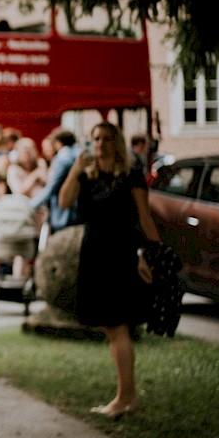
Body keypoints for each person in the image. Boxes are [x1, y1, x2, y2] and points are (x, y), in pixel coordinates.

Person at [58, 121, 162, 420]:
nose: (100, 144)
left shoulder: (130, 174)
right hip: (94, 253)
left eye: (106, 138)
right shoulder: (87, 175)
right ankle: (126, 395)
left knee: (117, 327)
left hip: (121, 252)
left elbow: (144, 217)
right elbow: (64, 202)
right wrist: (76, 170)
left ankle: (125, 398)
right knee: (113, 327)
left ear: (115, 142)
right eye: (95, 139)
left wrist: (153, 254)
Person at [31, 126, 81, 237]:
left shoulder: (62, 158)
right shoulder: (79, 153)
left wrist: (31, 205)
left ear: (58, 143)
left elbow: (51, 188)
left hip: (64, 212)